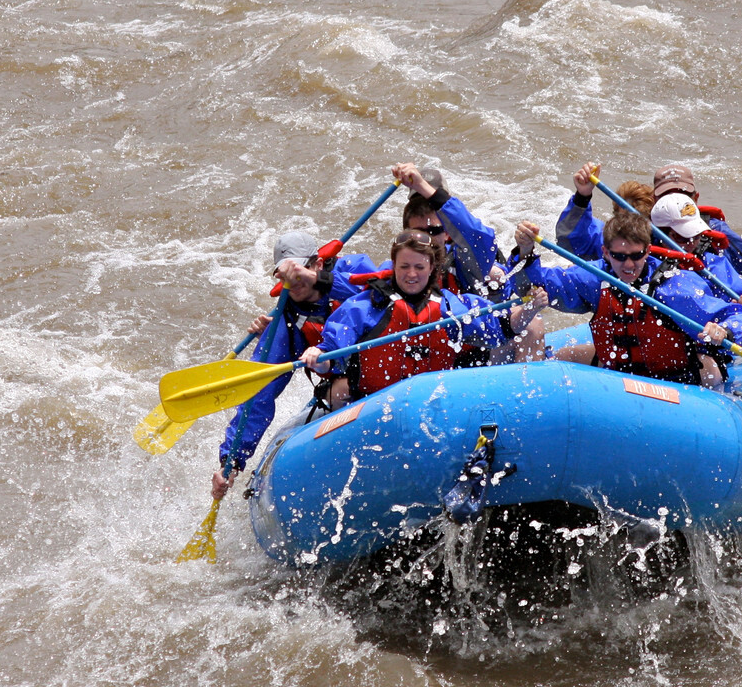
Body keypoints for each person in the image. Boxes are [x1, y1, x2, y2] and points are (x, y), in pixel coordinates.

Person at [300, 229, 549, 408]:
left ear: (432, 269)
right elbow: (333, 354)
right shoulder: (365, 306)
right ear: (393, 267)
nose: (411, 274)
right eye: (404, 267)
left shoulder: (450, 306)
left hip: (435, 404)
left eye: (419, 267)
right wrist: (318, 360)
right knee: (339, 392)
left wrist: (530, 308)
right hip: (376, 405)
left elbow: (500, 330)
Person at [211, 231, 375, 500]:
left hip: (396, 375)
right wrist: (231, 461)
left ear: (318, 265)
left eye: (300, 270)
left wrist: (322, 282)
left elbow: (382, 293)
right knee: (339, 392)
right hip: (344, 392)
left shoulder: (353, 270)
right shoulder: (285, 321)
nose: (294, 281)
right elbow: (260, 392)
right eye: (285, 275)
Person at [513, 212, 742, 387]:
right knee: (561, 358)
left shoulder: (675, 287)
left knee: (711, 371)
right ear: (606, 253)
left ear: (648, 251)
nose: (629, 265)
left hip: (677, 376)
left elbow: (736, 316)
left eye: (636, 256)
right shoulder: (596, 277)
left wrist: (724, 331)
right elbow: (537, 284)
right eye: (619, 256)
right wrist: (525, 251)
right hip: (620, 369)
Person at [393, 162, 546, 362]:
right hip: (424, 356)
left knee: (532, 325)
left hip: (471, 352)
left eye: (434, 232)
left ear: (447, 233)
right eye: (420, 233)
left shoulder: (466, 262)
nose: (427, 240)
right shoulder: (401, 267)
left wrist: (423, 187)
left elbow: (479, 237)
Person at [652, 163, 742, 291]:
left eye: (683, 196)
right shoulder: (641, 233)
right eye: (667, 197)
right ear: (654, 200)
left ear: (695, 198)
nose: (676, 201)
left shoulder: (715, 229)